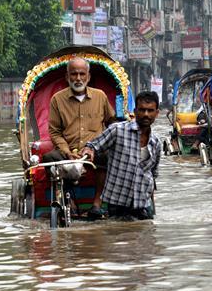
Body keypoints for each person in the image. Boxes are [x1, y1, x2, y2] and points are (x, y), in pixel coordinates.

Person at [46, 57, 115, 219]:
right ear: (67, 77)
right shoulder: (57, 99)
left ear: (88, 77)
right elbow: (55, 132)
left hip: (95, 150)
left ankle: (97, 203)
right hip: (68, 151)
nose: (78, 78)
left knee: (106, 156)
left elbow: (112, 125)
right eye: (74, 74)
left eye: (82, 74)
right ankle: (67, 200)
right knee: (49, 158)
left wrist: (95, 146)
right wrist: (67, 152)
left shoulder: (100, 96)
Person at [80, 91, 161, 220]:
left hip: (142, 205)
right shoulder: (117, 130)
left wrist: (153, 207)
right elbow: (94, 145)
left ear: (157, 113)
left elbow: (152, 175)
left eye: (150, 111)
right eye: (142, 110)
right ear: (135, 111)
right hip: (118, 203)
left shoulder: (156, 142)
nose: (146, 114)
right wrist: (88, 150)